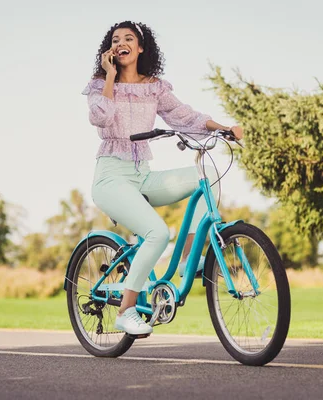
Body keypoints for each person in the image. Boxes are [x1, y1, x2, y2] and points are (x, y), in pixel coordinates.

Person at [82, 21, 243, 335]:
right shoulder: (100, 84)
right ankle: (126, 310)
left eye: (129, 38)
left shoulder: (154, 87)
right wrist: (111, 77)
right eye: (116, 40)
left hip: (142, 175)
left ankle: (187, 261)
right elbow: (99, 117)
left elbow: (184, 116)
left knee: (204, 177)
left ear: (141, 48)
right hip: (111, 178)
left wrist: (222, 127)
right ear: (109, 50)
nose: (121, 43)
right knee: (158, 232)